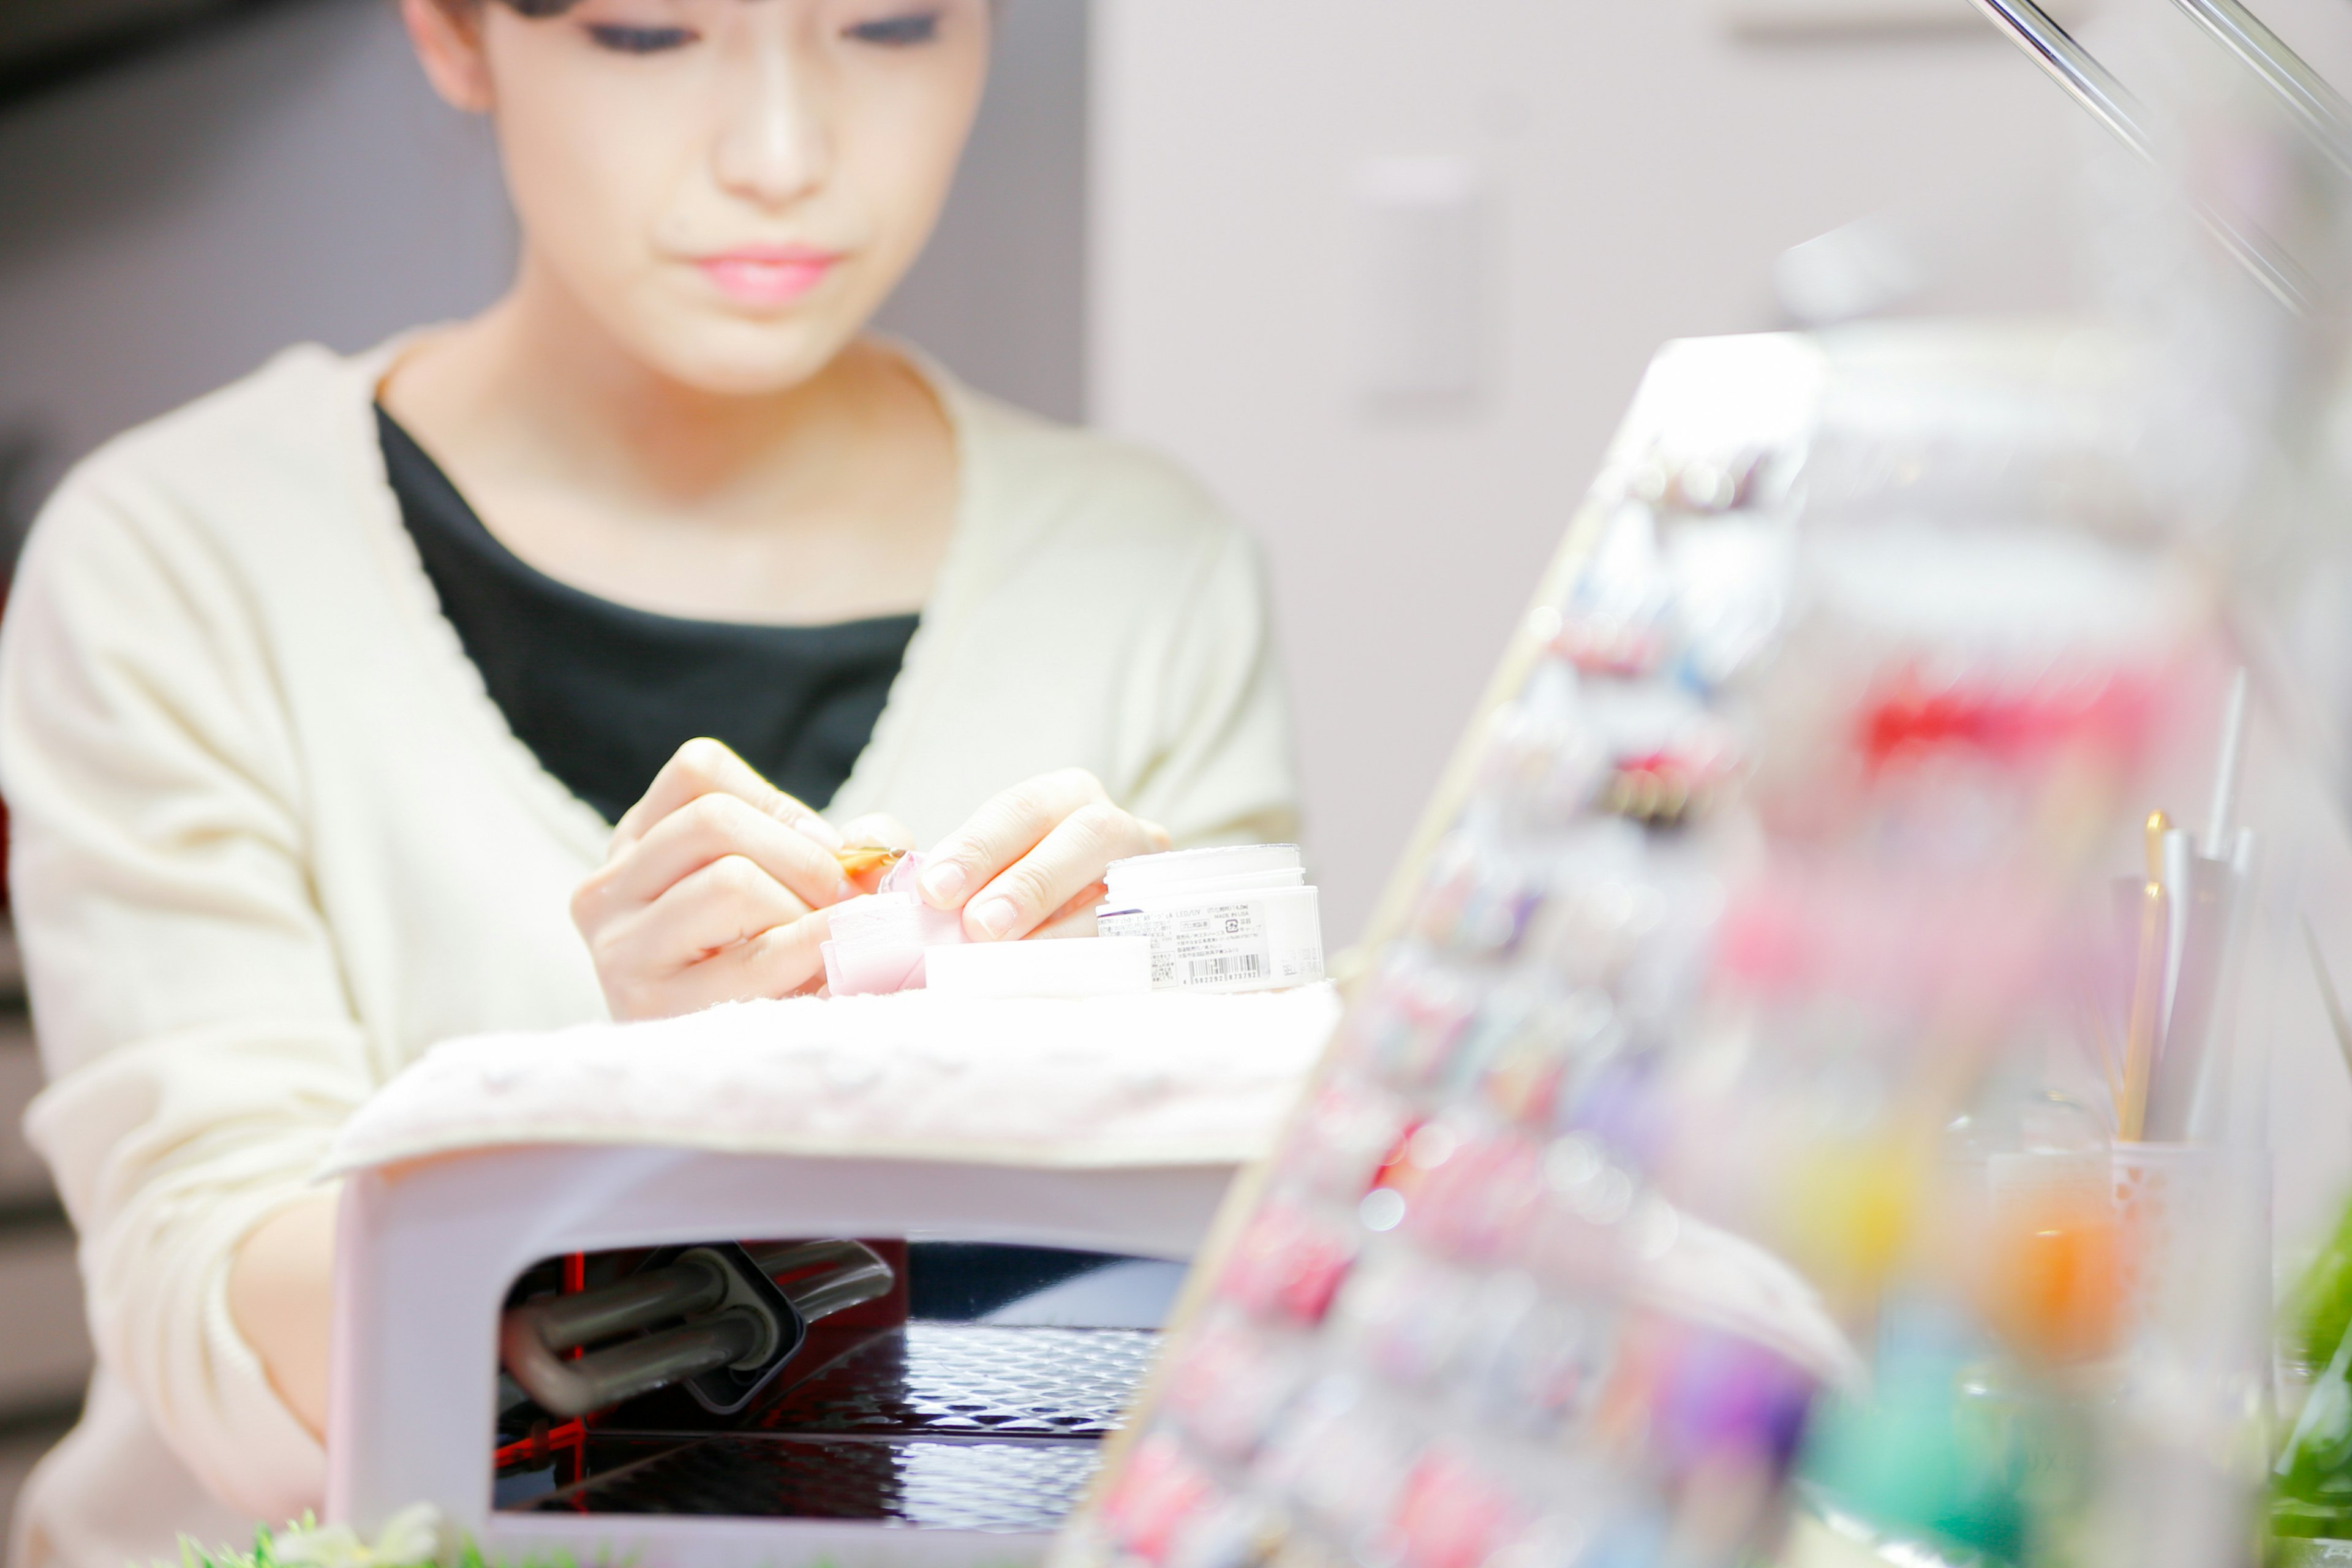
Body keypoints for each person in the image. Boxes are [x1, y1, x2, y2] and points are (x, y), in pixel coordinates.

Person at [0, 2, 1295, 1563]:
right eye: (645, 35)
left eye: (888, 29)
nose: (781, 157)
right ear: (457, 33)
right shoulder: (182, 555)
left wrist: (1151, 1077)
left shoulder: (1147, 570)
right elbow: (210, 1308)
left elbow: (1222, 1330)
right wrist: (645, 1130)